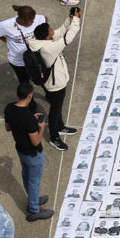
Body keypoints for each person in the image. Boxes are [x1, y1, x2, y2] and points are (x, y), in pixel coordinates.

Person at [26, 9, 82, 149]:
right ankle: (54, 137)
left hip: (49, 81)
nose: (52, 30)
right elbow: (68, 37)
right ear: (46, 37)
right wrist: (76, 20)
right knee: (55, 111)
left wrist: (70, 19)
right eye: (50, 30)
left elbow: (60, 32)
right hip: (56, 85)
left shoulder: (38, 41)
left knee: (57, 106)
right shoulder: (49, 48)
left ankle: (60, 126)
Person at [4, 83, 53, 219]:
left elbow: (8, 128)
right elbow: (35, 141)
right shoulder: (28, 117)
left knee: (26, 176)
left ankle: (33, 199)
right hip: (33, 154)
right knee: (34, 182)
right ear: (30, 96)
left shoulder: (9, 108)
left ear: (17, 94)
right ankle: (34, 210)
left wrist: (30, 121)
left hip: (21, 150)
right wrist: (41, 127)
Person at [0, 5, 46, 84]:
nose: (33, 22)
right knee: (24, 80)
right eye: (31, 21)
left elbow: (44, 19)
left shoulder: (38, 18)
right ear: (23, 20)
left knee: (40, 75)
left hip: (35, 57)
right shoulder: (7, 25)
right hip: (18, 61)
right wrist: (5, 40)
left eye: (34, 19)